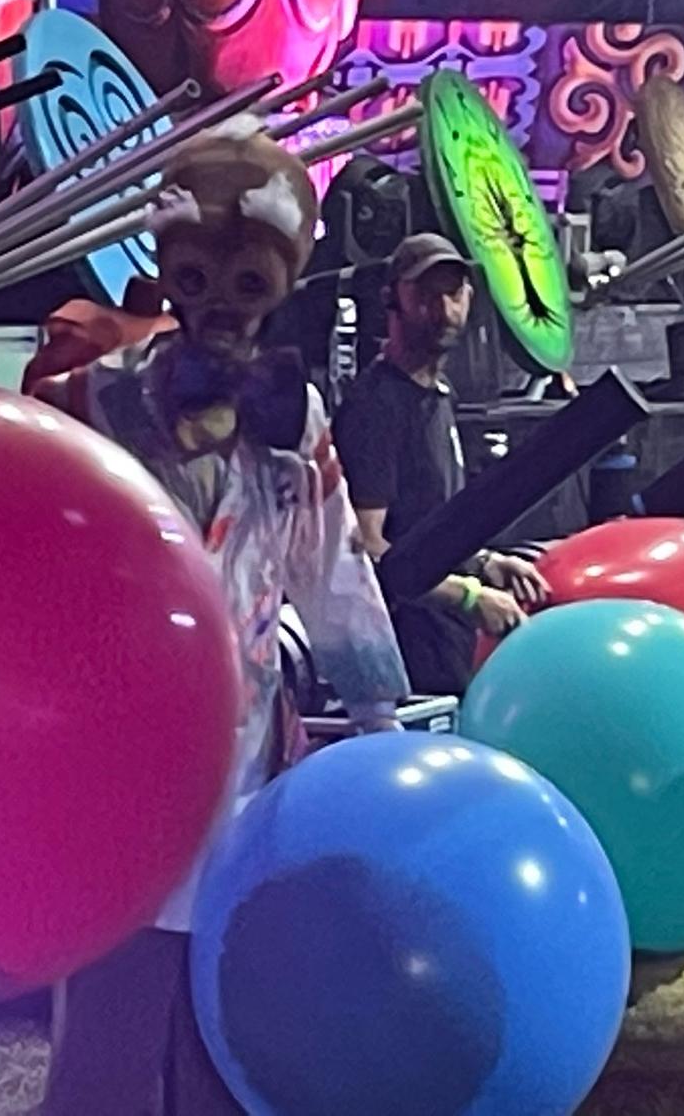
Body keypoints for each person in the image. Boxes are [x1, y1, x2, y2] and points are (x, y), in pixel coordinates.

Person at [28, 119, 411, 1112]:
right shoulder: (96, 402)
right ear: (166, 269)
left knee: (228, 1025)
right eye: (197, 278)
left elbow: (330, 563)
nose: (221, 305)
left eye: (247, 282)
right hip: (123, 758)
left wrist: (379, 720)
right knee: (109, 1023)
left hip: (248, 759)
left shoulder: (297, 419)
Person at [332, 232, 550, 697]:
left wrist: (485, 562)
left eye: (453, 294)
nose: (445, 310)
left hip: (447, 648)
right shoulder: (376, 407)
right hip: (406, 660)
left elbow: (425, 527)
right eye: (426, 295)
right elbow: (366, 548)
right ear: (393, 300)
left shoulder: (438, 395)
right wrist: (467, 596)